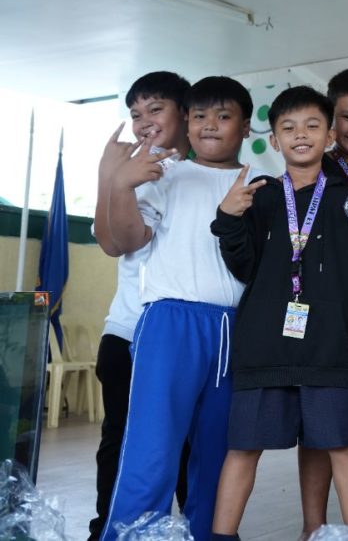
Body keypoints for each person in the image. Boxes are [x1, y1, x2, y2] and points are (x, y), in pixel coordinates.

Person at [208, 86, 348, 538]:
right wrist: (228, 219)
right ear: (274, 140)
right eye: (289, 128)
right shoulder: (259, 197)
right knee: (242, 447)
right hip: (263, 345)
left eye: (313, 126)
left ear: (330, 134)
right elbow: (243, 267)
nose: (302, 135)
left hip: (329, 346)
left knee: (343, 445)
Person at [101, 77, 265, 541]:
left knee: (219, 450)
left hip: (234, 330)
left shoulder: (259, 184)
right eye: (199, 116)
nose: (210, 125)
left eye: (224, 116)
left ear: (246, 126)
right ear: (187, 125)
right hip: (169, 323)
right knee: (151, 449)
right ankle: (130, 535)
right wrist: (121, 185)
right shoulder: (165, 174)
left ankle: (211, 535)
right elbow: (129, 240)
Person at [89, 72, 191, 541]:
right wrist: (111, 179)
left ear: (184, 114)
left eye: (155, 109)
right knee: (123, 444)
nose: (143, 122)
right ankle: (109, 530)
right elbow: (113, 242)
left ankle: (195, 529)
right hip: (129, 331)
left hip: (190, 337)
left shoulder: (204, 174)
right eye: (135, 114)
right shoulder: (135, 173)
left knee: (190, 445)